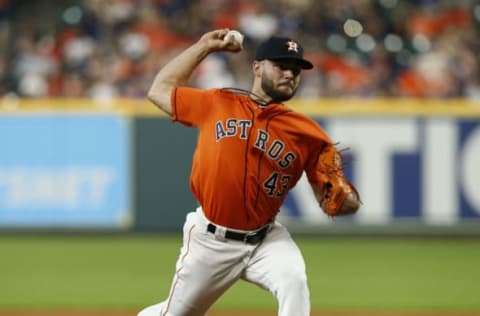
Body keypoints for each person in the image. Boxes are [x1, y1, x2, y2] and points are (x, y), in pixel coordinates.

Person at [139, 29, 360, 316]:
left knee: (294, 280)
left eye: (296, 70)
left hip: (265, 239)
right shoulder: (218, 103)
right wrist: (203, 47)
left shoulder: (308, 134)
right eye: (281, 66)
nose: (290, 75)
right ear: (257, 67)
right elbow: (159, 90)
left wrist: (346, 201)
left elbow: (330, 196)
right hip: (211, 241)